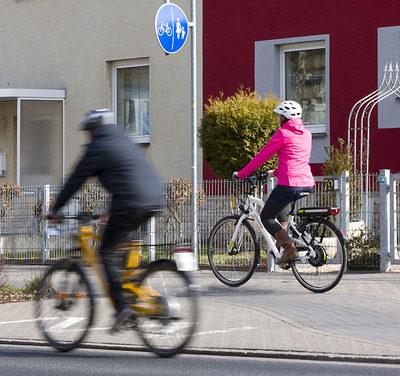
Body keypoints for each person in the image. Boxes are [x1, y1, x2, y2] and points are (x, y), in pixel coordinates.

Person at [46, 109, 163, 330]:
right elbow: (127, 177)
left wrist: (55, 209)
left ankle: (122, 309)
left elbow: (75, 179)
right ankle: (132, 290)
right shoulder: (123, 141)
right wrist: (110, 210)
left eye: (89, 132)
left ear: (93, 130)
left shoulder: (97, 146)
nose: (88, 136)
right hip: (154, 197)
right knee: (122, 242)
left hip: (130, 201)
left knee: (106, 252)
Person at [233, 100, 314, 264]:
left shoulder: (283, 133)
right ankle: (280, 241)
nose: (278, 119)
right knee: (279, 208)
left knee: (267, 217)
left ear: (284, 117)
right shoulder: (307, 134)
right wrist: (273, 173)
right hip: (307, 182)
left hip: (289, 183)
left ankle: (288, 247)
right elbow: (296, 159)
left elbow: (260, 158)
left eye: (279, 116)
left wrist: (242, 174)